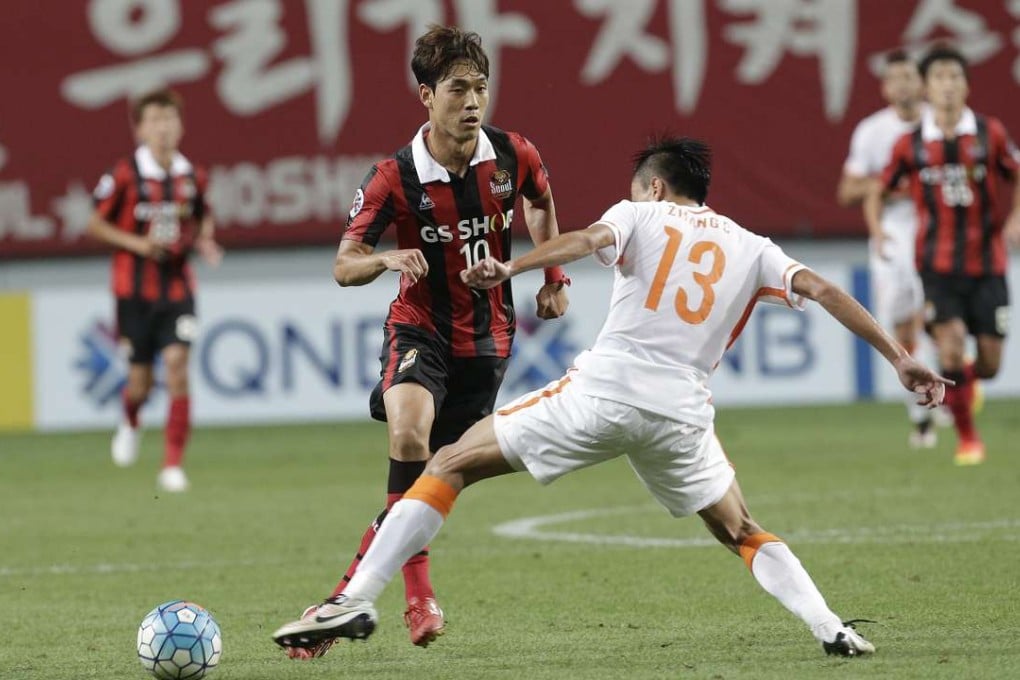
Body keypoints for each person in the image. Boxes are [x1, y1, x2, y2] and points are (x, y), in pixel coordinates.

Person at [272, 137, 949, 657]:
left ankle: (356, 599)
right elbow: (825, 291)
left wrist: (514, 265)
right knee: (741, 528)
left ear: (654, 186)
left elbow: (587, 238)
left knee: (447, 463)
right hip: (681, 418)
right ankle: (829, 627)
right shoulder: (753, 246)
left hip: (604, 394)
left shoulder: (639, 213)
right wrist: (901, 358)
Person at [285, 25, 569, 655]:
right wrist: (386, 260)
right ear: (425, 95)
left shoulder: (513, 153)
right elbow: (344, 263)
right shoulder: (392, 177)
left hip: (489, 339)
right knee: (410, 435)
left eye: (481, 88)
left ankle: (337, 602)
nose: (473, 102)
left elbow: (541, 204)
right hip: (419, 328)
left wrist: (553, 274)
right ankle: (417, 596)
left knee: (435, 478)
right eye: (458, 89)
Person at [866, 44, 1020, 465]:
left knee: (988, 365)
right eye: (939, 78)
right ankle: (968, 440)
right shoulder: (910, 144)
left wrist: (1015, 220)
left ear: (967, 85)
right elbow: (877, 189)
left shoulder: (991, 133)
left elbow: (1016, 173)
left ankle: (969, 384)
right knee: (950, 352)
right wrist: (878, 230)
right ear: (926, 89)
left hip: (989, 266)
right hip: (936, 265)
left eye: (955, 76)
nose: (948, 85)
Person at [87, 88, 222, 493]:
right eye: (155, 121)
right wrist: (138, 244)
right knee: (141, 382)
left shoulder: (191, 175)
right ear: (140, 129)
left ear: (180, 126)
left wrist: (205, 240)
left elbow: (202, 217)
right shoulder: (125, 174)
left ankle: (172, 464)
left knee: (178, 368)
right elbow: (95, 224)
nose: (163, 128)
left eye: (169, 120)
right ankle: (130, 419)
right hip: (133, 293)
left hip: (179, 289)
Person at [838, 49, 938, 448]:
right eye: (894, 78)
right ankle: (922, 407)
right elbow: (848, 190)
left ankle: (935, 403)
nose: (902, 85)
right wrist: (888, 183)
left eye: (909, 76)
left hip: (939, 226)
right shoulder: (873, 131)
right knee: (900, 325)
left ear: (923, 82)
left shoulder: (942, 122)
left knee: (936, 315)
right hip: (893, 229)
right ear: (884, 87)